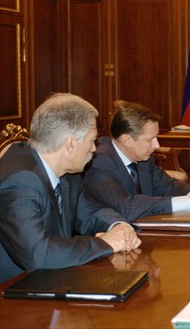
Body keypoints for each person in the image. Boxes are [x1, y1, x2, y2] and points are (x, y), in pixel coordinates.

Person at [0, 93, 141, 283]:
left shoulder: (67, 173)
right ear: (70, 144)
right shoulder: (20, 181)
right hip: (15, 297)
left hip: (54, 280)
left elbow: (91, 210)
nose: (94, 149)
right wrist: (105, 242)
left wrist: (119, 227)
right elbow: (37, 255)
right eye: (92, 141)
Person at [83, 100, 190, 221]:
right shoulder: (97, 162)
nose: (157, 146)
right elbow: (126, 206)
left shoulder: (143, 156)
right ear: (127, 140)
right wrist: (189, 202)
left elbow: (166, 185)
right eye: (150, 139)